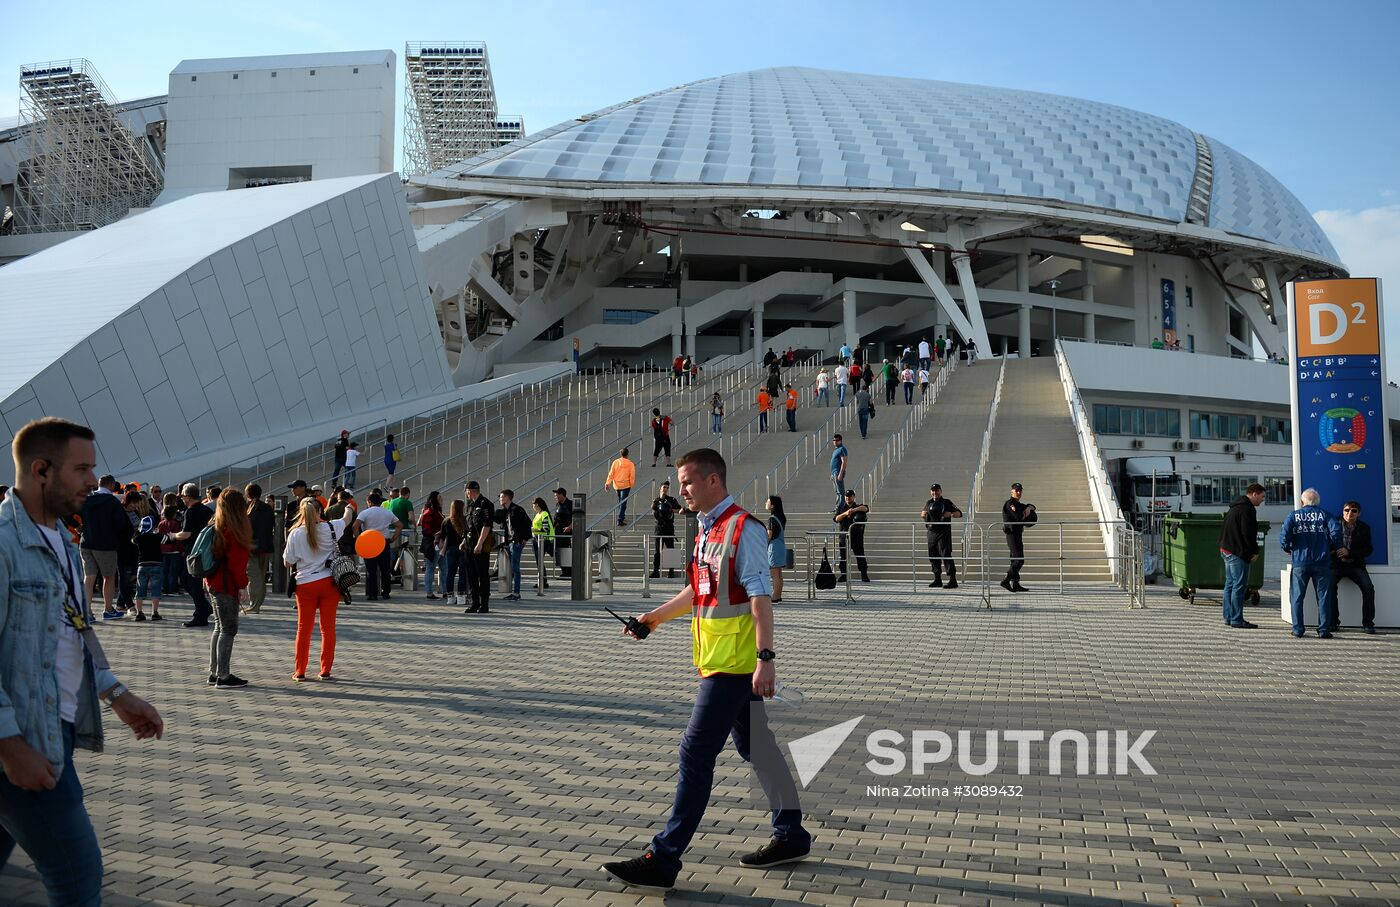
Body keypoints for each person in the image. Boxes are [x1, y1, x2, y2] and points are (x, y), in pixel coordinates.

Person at [603, 448, 811, 892]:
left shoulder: (742, 528)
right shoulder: (706, 530)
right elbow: (698, 592)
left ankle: (664, 858)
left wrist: (765, 659)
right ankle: (791, 834)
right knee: (759, 747)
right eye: (680, 483)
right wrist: (652, 619)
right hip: (718, 662)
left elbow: (759, 598)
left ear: (714, 481)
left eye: (688, 482)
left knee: (694, 754)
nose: (682, 490)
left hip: (734, 667)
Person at [0, 417, 164, 904]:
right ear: (42, 470)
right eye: (82, 469)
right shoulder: (5, 545)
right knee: (77, 877)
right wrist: (11, 748)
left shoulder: (64, 546)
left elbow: (75, 632)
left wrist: (115, 693)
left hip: (55, 728)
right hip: (25, 738)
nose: (94, 481)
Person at [283, 497, 349, 680]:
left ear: (302, 513)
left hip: (305, 584)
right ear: (321, 511)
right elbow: (347, 519)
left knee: (303, 628)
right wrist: (348, 508)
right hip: (329, 583)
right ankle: (325, 669)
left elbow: (288, 562)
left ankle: (300, 671)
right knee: (328, 628)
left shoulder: (295, 533)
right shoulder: (331, 527)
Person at [205, 488, 252, 689]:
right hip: (226, 584)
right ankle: (223, 676)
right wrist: (242, 586)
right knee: (228, 628)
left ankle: (214, 671)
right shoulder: (235, 529)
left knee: (219, 626)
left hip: (212, 581)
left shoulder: (215, 524)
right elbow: (237, 563)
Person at [1281, 489, 1342, 638]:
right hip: (1322, 562)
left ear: (1302, 502)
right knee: (1323, 597)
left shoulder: (1293, 516)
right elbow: (1336, 532)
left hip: (1300, 562)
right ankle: (1323, 630)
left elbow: (1284, 535)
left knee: (1297, 596)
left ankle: (1298, 629)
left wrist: (1287, 548)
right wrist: (1333, 547)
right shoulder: (1326, 515)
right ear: (1318, 502)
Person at [80, 474, 129, 619]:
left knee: (89, 578)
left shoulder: (86, 499)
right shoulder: (112, 501)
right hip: (105, 545)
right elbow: (121, 524)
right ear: (112, 485)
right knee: (109, 577)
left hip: (86, 542)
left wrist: (78, 526)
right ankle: (108, 609)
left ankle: (86, 612)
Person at [1217, 483, 1265, 629]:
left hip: (1226, 549)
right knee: (1239, 585)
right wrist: (1255, 551)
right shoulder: (1247, 509)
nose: (1262, 501)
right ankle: (1237, 619)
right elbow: (1248, 533)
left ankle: (1228, 617)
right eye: (1262, 497)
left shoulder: (1235, 506)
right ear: (1254, 494)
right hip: (1238, 552)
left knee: (1230, 585)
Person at [1332, 500, 1377, 634]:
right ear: (1342, 511)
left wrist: (1349, 552)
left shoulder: (1364, 528)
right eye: (1347, 510)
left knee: (1369, 589)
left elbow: (1368, 550)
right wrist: (1333, 551)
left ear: (1359, 513)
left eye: (1353, 511)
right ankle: (1333, 623)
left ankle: (1368, 623)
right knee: (1329, 588)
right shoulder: (1333, 524)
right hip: (1337, 564)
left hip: (1355, 565)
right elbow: (1325, 542)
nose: (1349, 513)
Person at [174, 482, 215, 626]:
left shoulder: (190, 511)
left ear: (188, 497)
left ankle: (201, 611)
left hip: (192, 551)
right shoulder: (207, 510)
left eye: (183, 496)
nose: (182, 499)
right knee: (191, 580)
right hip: (205, 550)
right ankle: (203, 608)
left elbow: (186, 534)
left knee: (189, 581)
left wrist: (173, 535)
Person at [354, 490, 401, 601]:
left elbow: (355, 526)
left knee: (371, 570)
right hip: (383, 541)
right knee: (385, 569)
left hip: (369, 542)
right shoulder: (387, 512)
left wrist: (359, 538)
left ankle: (372, 594)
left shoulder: (365, 513)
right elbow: (399, 525)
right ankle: (386, 593)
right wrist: (393, 537)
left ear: (369, 502)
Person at [462, 480, 496, 613]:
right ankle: (475, 603)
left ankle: (484, 604)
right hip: (469, 545)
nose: (466, 494)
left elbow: (487, 526)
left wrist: (480, 543)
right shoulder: (470, 505)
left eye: (466, 492)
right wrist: (463, 542)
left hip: (480, 546)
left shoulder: (485, 504)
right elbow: (469, 526)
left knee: (482, 575)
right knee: (471, 575)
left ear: (469, 491)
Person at [920, 484, 962, 588]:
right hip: (931, 533)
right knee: (933, 556)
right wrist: (923, 514)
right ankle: (937, 579)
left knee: (946, 555)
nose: (935, 493)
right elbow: (923, 513)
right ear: (931, 492)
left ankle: (953, 580)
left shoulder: (946, 502)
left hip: (943, 533)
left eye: (937, 490)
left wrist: (951, 514)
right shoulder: (928, 503)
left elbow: (959, 513)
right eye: (933, 491)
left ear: (941, 491)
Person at [493, 489, 532, 601]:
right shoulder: (506, 512)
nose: (500, 499)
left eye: (501, 497)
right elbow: (497, 519)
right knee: (513, 567)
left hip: (516, 542)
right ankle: (515, 592)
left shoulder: (517, 510)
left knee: (515, 567)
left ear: (507, 498)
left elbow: (528, 523)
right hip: (510, 542)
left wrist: (524, 539)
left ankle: (516, 592)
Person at [245, 483, 275, 614]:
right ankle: (258, 604)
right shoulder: (268, 508)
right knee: (261, 577)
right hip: (266, 546)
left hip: (252, 547)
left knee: (253, 577)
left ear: (247, 495)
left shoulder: (248, 508)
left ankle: (254, 605)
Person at [1000, 482, 1036, 592]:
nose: (1019, 492)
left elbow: (1033, 507)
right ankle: (1006, 580)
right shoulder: (1010, 504)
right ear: (1012, 491)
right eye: (1016, 490)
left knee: (1015, 559)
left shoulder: (1018, 504)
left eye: (1020, 490)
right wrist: (1026, 511)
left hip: (1018, 534)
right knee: (1019, 560)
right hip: (1012, 534)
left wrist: (1029, 508)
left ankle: (1015, 583)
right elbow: (1018, 517)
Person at [131, 515, 165, 621]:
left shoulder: (138, 538)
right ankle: (154, 612)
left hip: (142, 566)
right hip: (156, 565)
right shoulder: (158, 537)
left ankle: (139, 612)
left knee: (140, 589)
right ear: (154, 526)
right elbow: (168, 539)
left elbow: (133, 540)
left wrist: (139, 531)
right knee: (156, 589)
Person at [834, 490, 869, 582]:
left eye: (850, 496)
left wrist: (853, 510)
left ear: (854, 497)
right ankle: (844, 575)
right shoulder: (841, 508)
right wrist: (846, 513)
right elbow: (836, 518)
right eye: (846, 497)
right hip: (844, 537)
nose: (848, 498)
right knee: (843, 557)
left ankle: (864, 574)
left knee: (860, 556)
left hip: (857, 537)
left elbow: (865, 508)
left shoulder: (858, 506)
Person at [650, 481, 683, 579]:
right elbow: (654, 511)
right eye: (664, 487)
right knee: (657, 551)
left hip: (669, 528)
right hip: (659, 528)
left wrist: (671, 510)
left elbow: (680, 510)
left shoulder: (671, 500)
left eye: (667, 488)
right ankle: (656, 571)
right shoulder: (656, 500)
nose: (665, 489)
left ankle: (671, 571)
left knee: (670, 550)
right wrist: (653, 506)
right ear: (660, 488)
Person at [440, 499, 468, 605]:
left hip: (450, 550)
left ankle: (450, 597)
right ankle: (461, 596)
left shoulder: (446, 521)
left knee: (450, 574)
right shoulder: (465, 520)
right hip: (463, 549)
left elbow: (442, 536)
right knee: (462, 573)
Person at [418, 491, 445, 600]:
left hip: (440, 543)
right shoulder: (430, 512)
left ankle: (446, 591)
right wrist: (435, 536)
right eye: (439, 497)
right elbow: (426, 528)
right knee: (431, 568)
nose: (441, 499)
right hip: (434, 543)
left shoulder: (437, 511)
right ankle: (429, 592)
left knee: (444, 568)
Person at [765, 495, 789, 602]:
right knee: (779, 573)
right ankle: (778, 595)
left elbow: (769, 535)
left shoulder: (772, 518)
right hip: (780, 546)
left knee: (774, 574)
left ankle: (775, 596)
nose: (766, 503)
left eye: (768, 501)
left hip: (773, 547)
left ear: (773, 505)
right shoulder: (781, 517)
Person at [156, 503, 183, 598]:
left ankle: (164, 588)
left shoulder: (161, 523)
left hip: (163, 550)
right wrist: (181, 550)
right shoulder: (175, 524)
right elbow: (178, 538)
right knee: (173, 571)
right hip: (174, 550)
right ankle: (172, 589)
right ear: (173, 514)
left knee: (164, 571)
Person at [605, 448, 637, 526]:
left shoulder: (615, 462)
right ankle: (620, 519)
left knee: (620, 501)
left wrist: (607, 483)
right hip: (626, 485)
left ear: (621, 454)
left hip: (617, 485)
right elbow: (632, 475)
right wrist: (632, 484)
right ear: (627, 454)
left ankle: (621, 515)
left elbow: (611, 473)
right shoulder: (630, 464)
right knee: (623, 502)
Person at [530, 498, 554, 591]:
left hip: (544, 540)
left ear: (537, 504)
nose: (533, 507)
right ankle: (542, 580)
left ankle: (543, 581)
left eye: (533, 505)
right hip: (537, 540)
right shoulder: (538, 515)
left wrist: (534, 530)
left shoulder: (544, 514)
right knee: (539, 561)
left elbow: (546, 529)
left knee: (539, 561)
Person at [553, 488, 574, 578]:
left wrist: (570, 527)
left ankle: (569, 572)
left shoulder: (570, 504)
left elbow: (576, 517)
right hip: (558, 532)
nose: (555, 496)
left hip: (567, 532)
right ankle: (564, 571)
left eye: (557, 495)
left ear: (562, 495)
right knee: (559, 551)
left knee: (566, 551)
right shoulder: (557, 505)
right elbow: (555, 519)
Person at [830, 435, 848, 510]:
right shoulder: (836, 450)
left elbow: (844, 461)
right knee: (837, 491)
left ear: (840, 440)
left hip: (838, 472)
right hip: (834, 472)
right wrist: (832, 474)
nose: (835, 442)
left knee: (840, 492)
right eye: (834, 440)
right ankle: (837, 507)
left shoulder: (842, 449)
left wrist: (840, 473)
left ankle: (841, 507)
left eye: (837, 440)